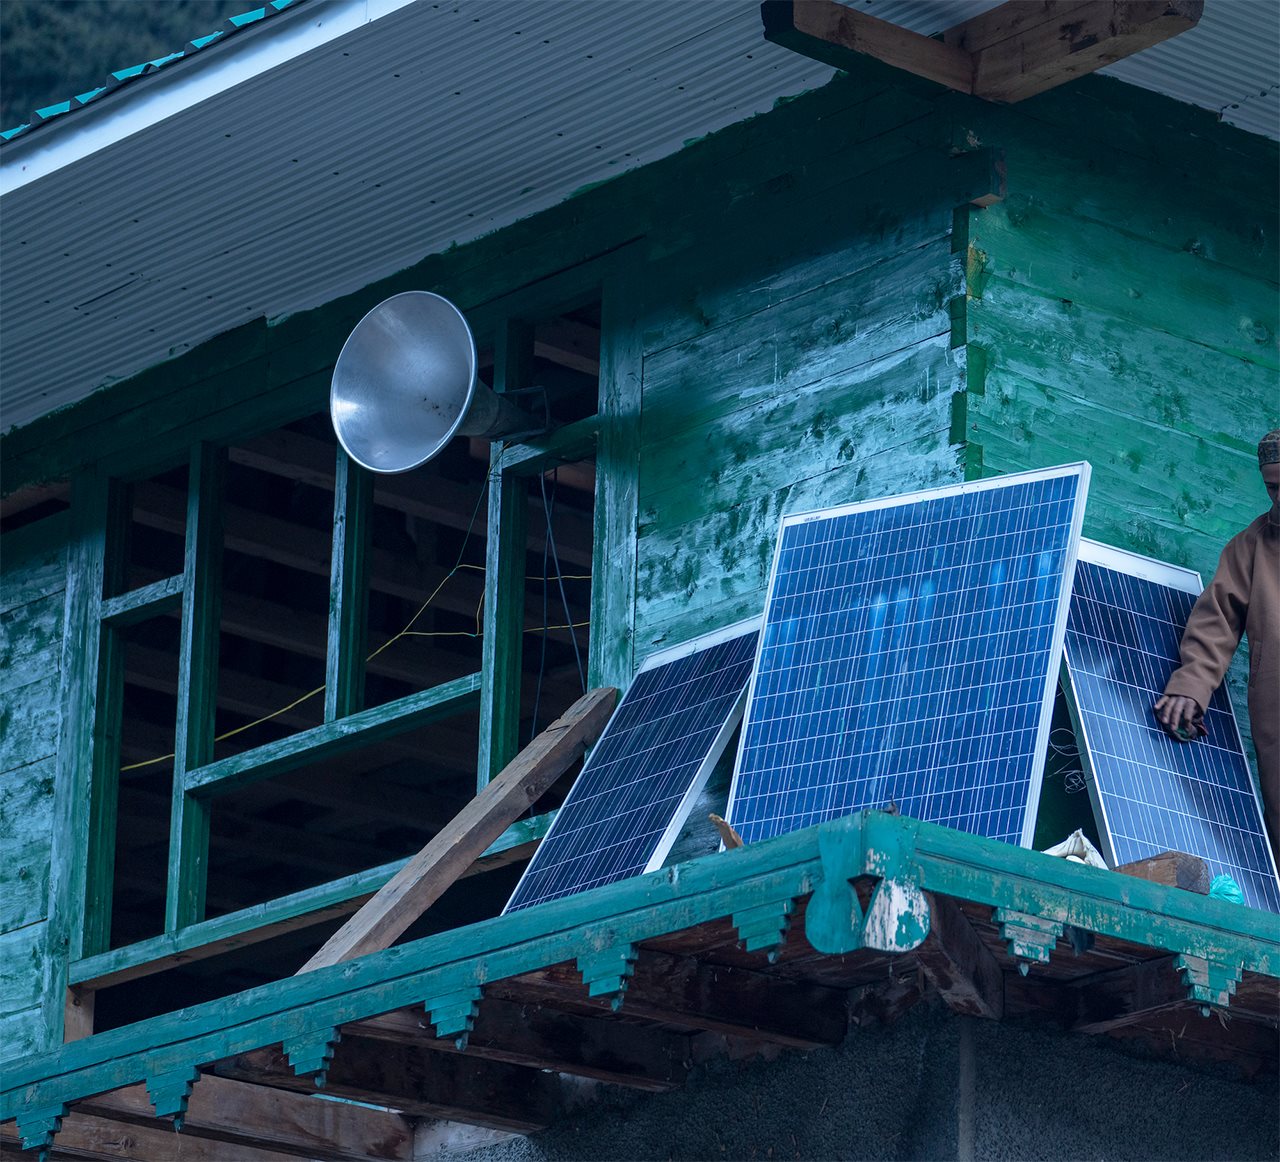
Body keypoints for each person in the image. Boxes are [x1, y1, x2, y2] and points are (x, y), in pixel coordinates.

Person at [1154, 429, 1279, 866]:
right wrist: (1190, 685)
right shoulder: (1252, 548)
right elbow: (1217, 621)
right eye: (1273, 487)